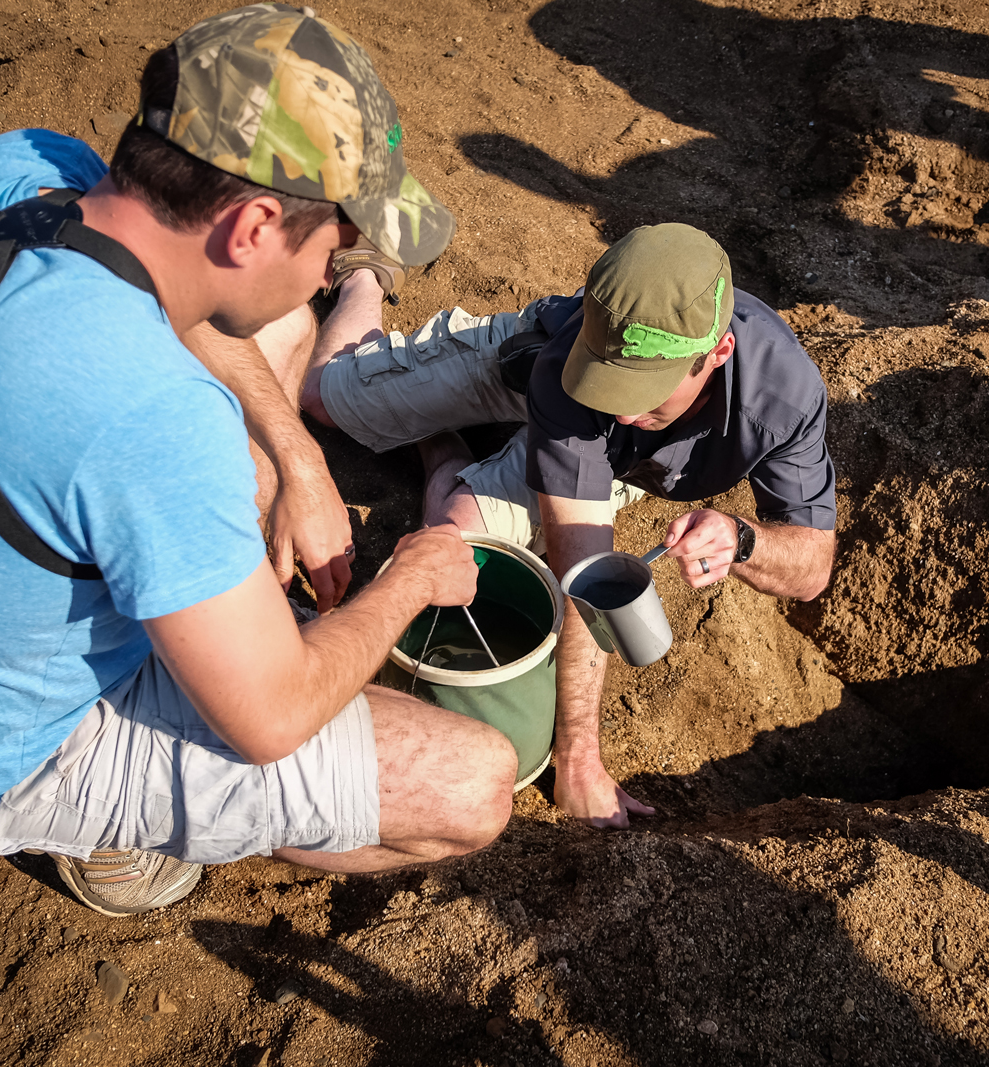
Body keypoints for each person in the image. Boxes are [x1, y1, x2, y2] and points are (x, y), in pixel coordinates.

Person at [0, 3, 518, 919]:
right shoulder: (149, 418)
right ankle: (105, 833)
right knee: (474, 786)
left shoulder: (26, 168)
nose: (330, 265)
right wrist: (412, 578)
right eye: (335, 242)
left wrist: (297, 458)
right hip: (9, 744)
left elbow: (166, 321)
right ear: (255, 224)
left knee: (281, 330)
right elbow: (270, 719)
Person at [302, 223, 838, 828]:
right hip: (530, 372)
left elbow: (813, 566)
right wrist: (579, 760)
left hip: (626, 465)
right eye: (612, 382)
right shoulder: (574, 373)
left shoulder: (783, 399)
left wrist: (744, 539)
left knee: (455, 531)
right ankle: (363, 276)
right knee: (323, 398)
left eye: (649, 392)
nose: (626, 410)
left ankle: (443, 452)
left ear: (716, 355)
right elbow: (585, 577)